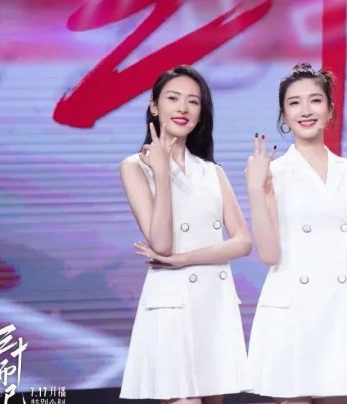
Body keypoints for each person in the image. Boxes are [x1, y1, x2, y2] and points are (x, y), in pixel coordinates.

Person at [119, 65, 251, 404]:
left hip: (214, 301)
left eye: (193, 101)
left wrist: (184, 259)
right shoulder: (134, 166)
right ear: (154, 106)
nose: (182, 108)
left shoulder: (212, 172)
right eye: (173, 98)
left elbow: (242, 242)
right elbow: (161, 243)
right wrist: (162, 172)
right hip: (171, 304)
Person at [245, 63, 347, 404]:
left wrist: (340, 283)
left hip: (336, 311)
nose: (305, 110)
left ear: (330, 110)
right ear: (283, 116)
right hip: (290, 311)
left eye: (315, 100)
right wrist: (255, 189)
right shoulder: (271, 172)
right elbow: (269, 254)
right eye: (294, 102)